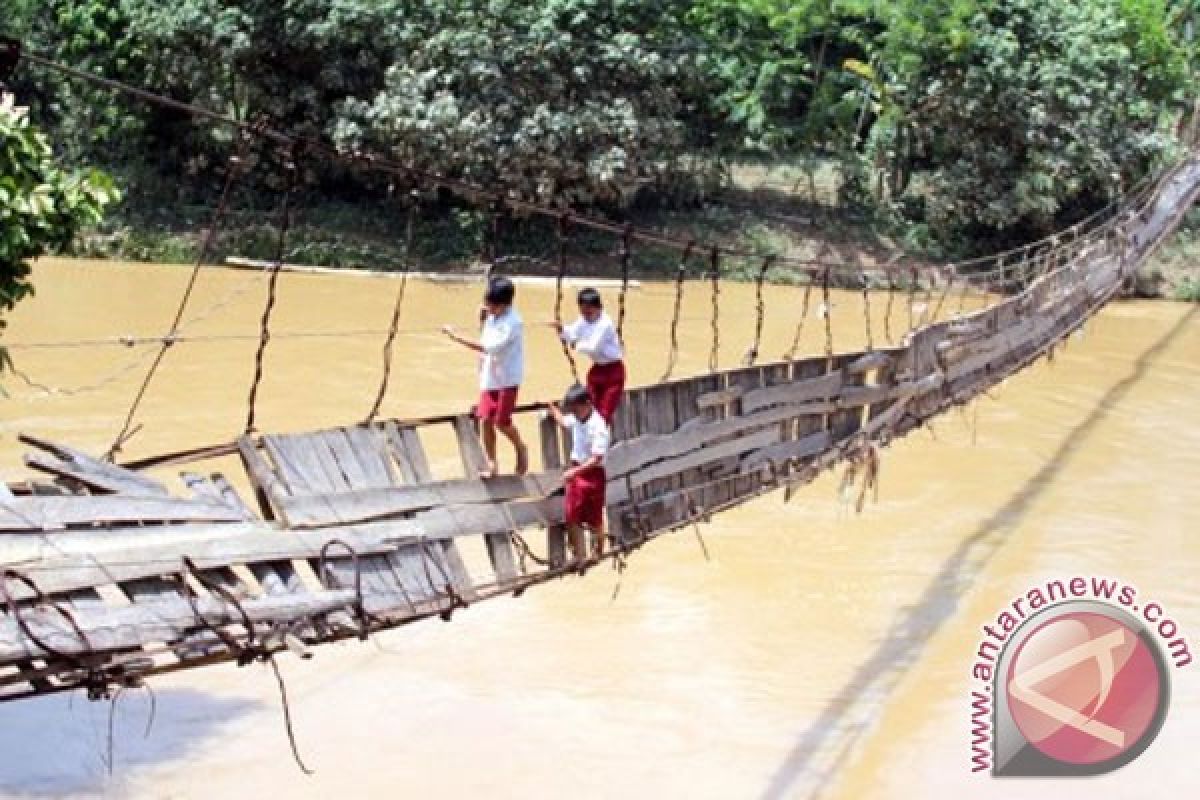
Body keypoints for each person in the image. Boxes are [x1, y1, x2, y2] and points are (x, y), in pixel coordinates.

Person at [442, 276, 529, 477]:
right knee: (485, 419)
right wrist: (482, 320)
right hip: (490, 376)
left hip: (507, 378)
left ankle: (520, 447)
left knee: (501, 421)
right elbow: (485, 337)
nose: (488, 307)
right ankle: (492, 464)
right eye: (487, 303)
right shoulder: (492, 316)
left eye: (492, 305)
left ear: (505, 305)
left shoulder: (513, 323)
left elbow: (487, 347)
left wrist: (455, 336)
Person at [546, 383, 610, 563]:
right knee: (572, 514)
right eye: (571, 408)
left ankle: (598, 552)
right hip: (577, 474)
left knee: (595, 517)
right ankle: (579, 556)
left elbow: (597, 458)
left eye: (576, 407)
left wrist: (574, 472)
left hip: (592, 474)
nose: (573, 411)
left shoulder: (598, 427)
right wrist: (552, 408)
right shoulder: (578, 419)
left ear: (587, 404)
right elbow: (564, 422)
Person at [551, 287, 626, 424]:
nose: (586, 316)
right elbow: (573, 333)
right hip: (597, 369)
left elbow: (593, 347)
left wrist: (575, 343)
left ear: (599, 308)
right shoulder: (584, 319)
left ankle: (598, 441)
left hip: (613, 372)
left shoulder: (605, 324)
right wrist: (562, 329)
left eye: (589, 312)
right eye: (583, 312)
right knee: (588, 408)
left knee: (603, 414)